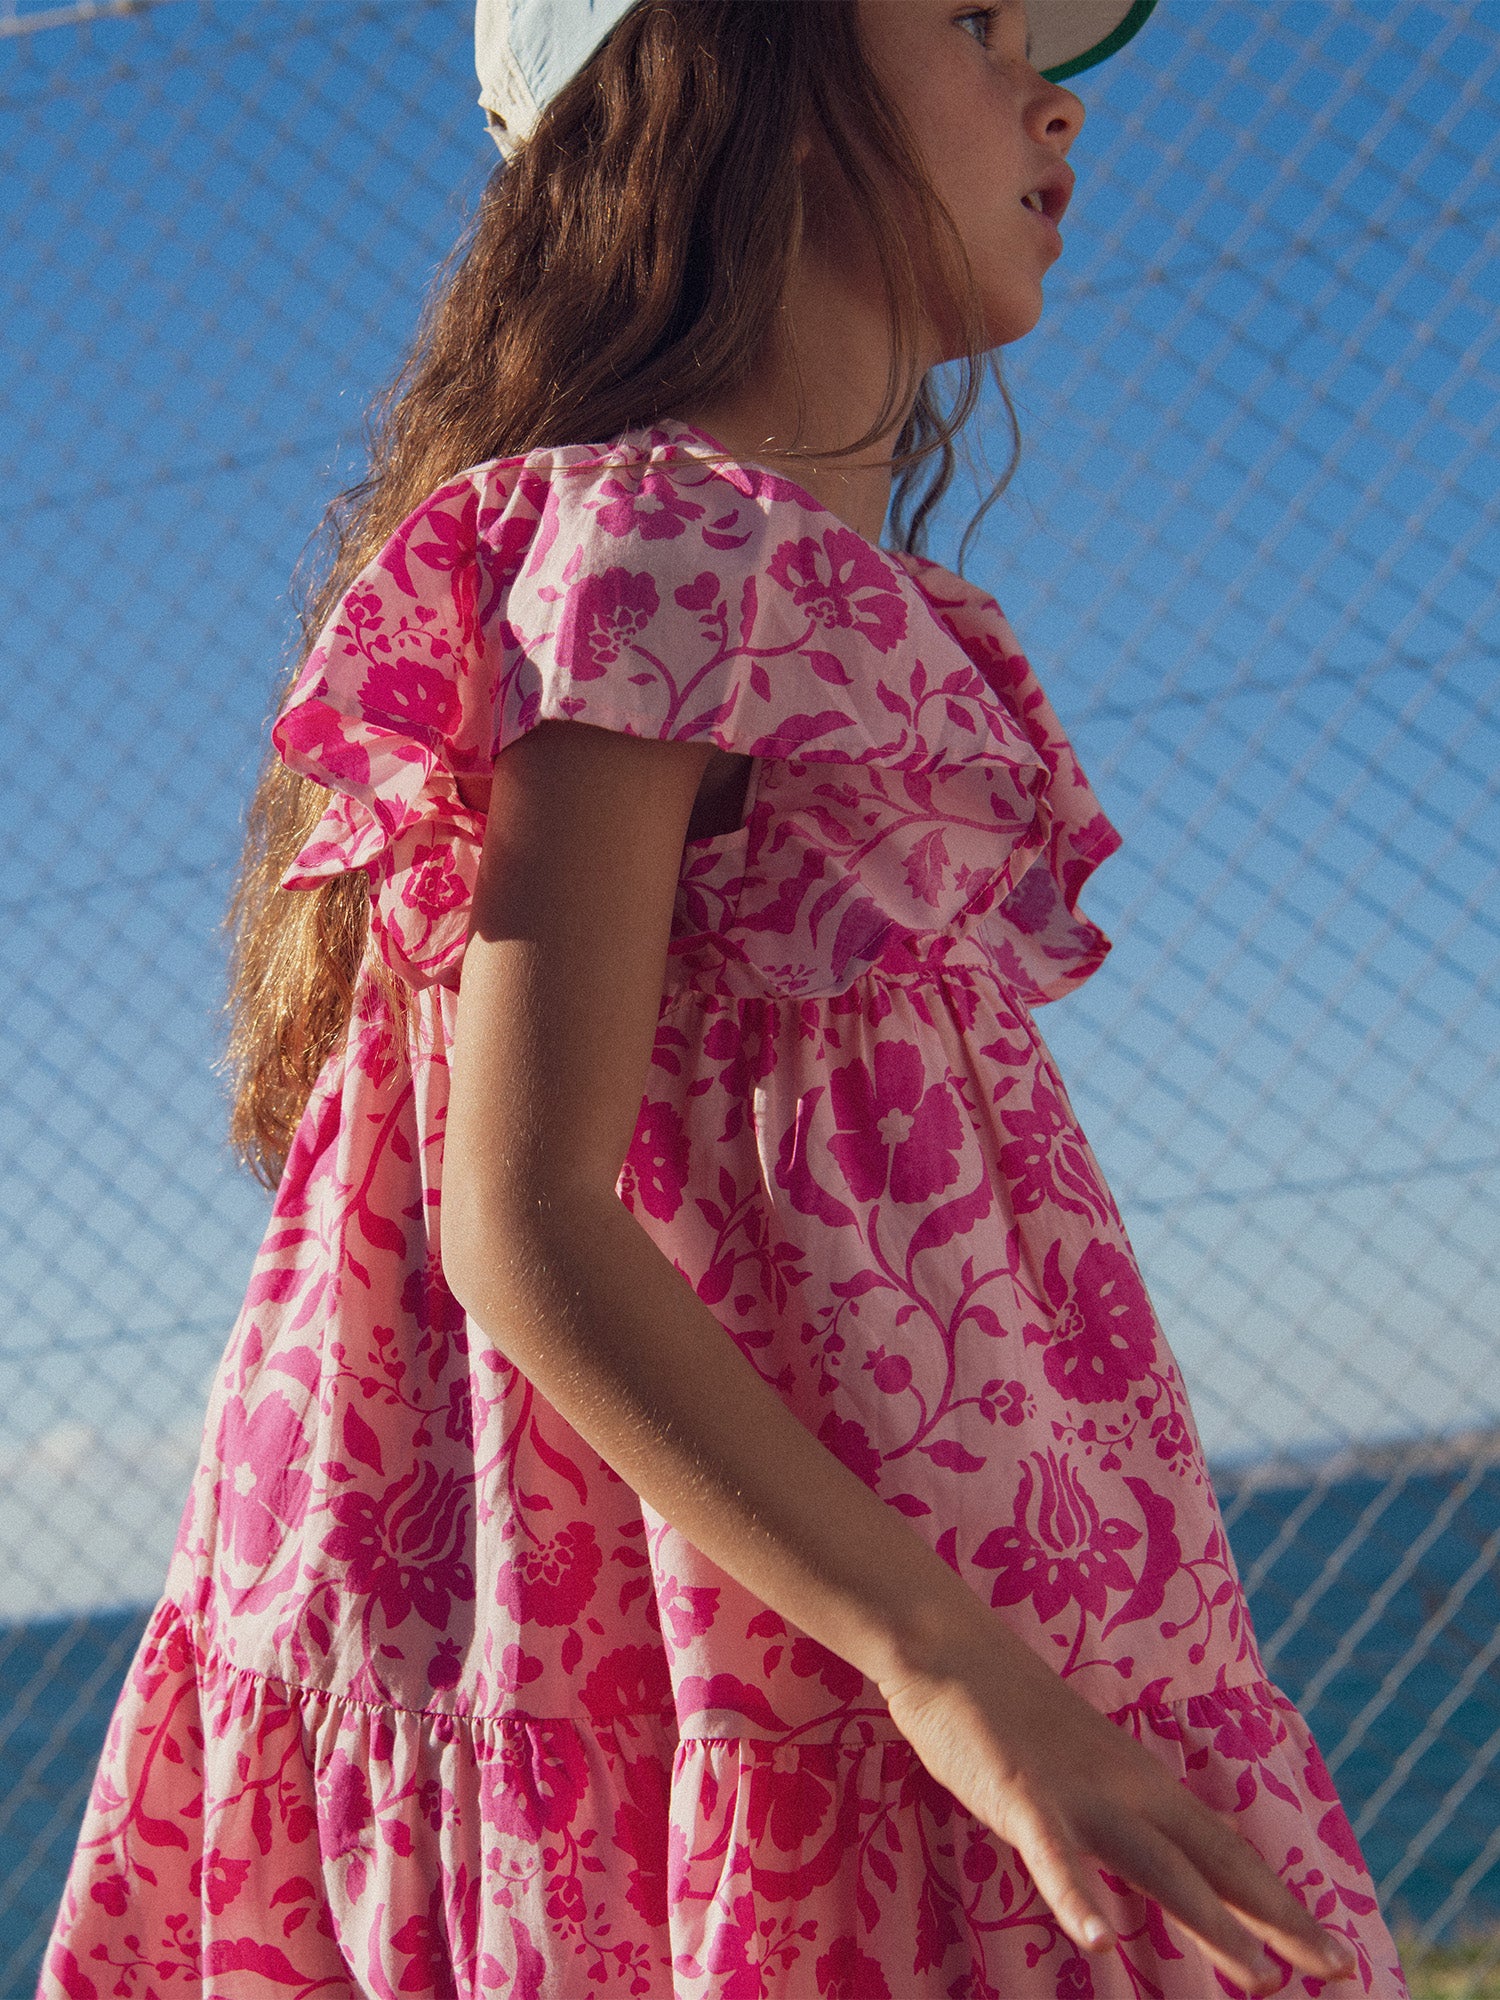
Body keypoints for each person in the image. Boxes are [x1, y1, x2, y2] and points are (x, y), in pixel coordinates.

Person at [42, 2, 1410, 1995]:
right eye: (967, 16)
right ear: (732, 73)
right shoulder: (654, 542)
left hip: (818, 1567)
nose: (1057, 97)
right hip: (753, 1612)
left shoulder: (794, 590)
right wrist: (950, 1666)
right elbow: (527, 1222)